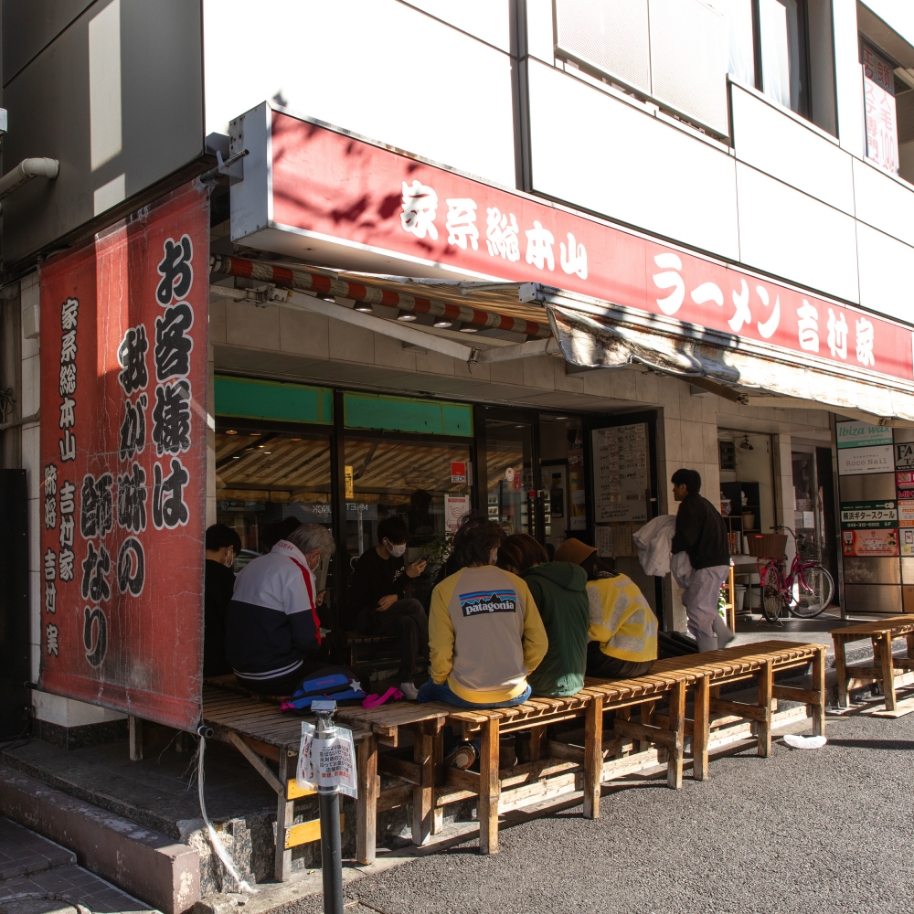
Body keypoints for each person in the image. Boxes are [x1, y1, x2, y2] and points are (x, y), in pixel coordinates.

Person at [418, 518, 548, 708]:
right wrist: (523, 671)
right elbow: (539, 643)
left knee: (425, 694)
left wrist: (438, 680)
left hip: (466, 692)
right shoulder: (518, 584)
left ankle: (455, 739)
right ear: (493, 550)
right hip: (516, 692)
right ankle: (476, 739)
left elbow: (441, 650)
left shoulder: (444, 590)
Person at [225, 523, 335, 694]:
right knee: (356, 679)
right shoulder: (297, 571)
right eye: (319, 561)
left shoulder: (252, 565)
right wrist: (317, 635)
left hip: (242, 673)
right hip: (276, 675)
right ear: (315, 555)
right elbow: (308, 642)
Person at [496, 533, 589, 698]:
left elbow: (518, 637)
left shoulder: (529, 585)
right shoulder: (574, 580)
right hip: (576, 677)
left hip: (544, 681)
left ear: (510, 566)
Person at [554, 538, 658, 679]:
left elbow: (600, 631)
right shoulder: (622, 578)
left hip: (622, 660)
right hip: (647, 658)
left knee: (564, 657)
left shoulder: (593, 588)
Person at [350, 516, 429, 700]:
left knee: (408, 622)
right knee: (415, 605)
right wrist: (406, 577)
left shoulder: (397, 560)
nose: (402, 546)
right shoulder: (368, 561)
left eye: (404, 542)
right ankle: (430, 657)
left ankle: (406, 681)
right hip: (368, 616)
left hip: (387, 617)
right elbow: (381, 599)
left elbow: (394, 596)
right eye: (398, 542)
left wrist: (398, 593)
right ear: (385, 541)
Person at [671, 468, 733, 652]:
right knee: (693, 599)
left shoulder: (689, 505)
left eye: (675, 486)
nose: (673, 490)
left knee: (699, 611)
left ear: (684, 487)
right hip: (718, 561)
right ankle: (722, 632)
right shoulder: (705, 504)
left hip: (708, 564)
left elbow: (687, 536)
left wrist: (670, 544)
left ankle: (707, 655)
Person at [203, 523, 241, 677]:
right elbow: (233, 618)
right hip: (217, 656)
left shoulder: (188, 569)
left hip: (187, 656)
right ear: (229, 550)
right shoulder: (225, 577)